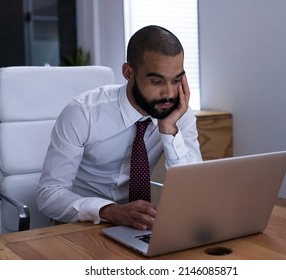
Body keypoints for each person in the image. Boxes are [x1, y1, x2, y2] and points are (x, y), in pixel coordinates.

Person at [37, 25, 202, 231]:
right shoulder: (82, 113)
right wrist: (110, 211)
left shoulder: (178, 113)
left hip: (137, 226)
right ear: (128, 73)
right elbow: (49, 195)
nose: (169, 93)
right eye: (157, 81)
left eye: (176, 80)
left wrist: (169, 131)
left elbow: (193, 193)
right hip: (80, 224)